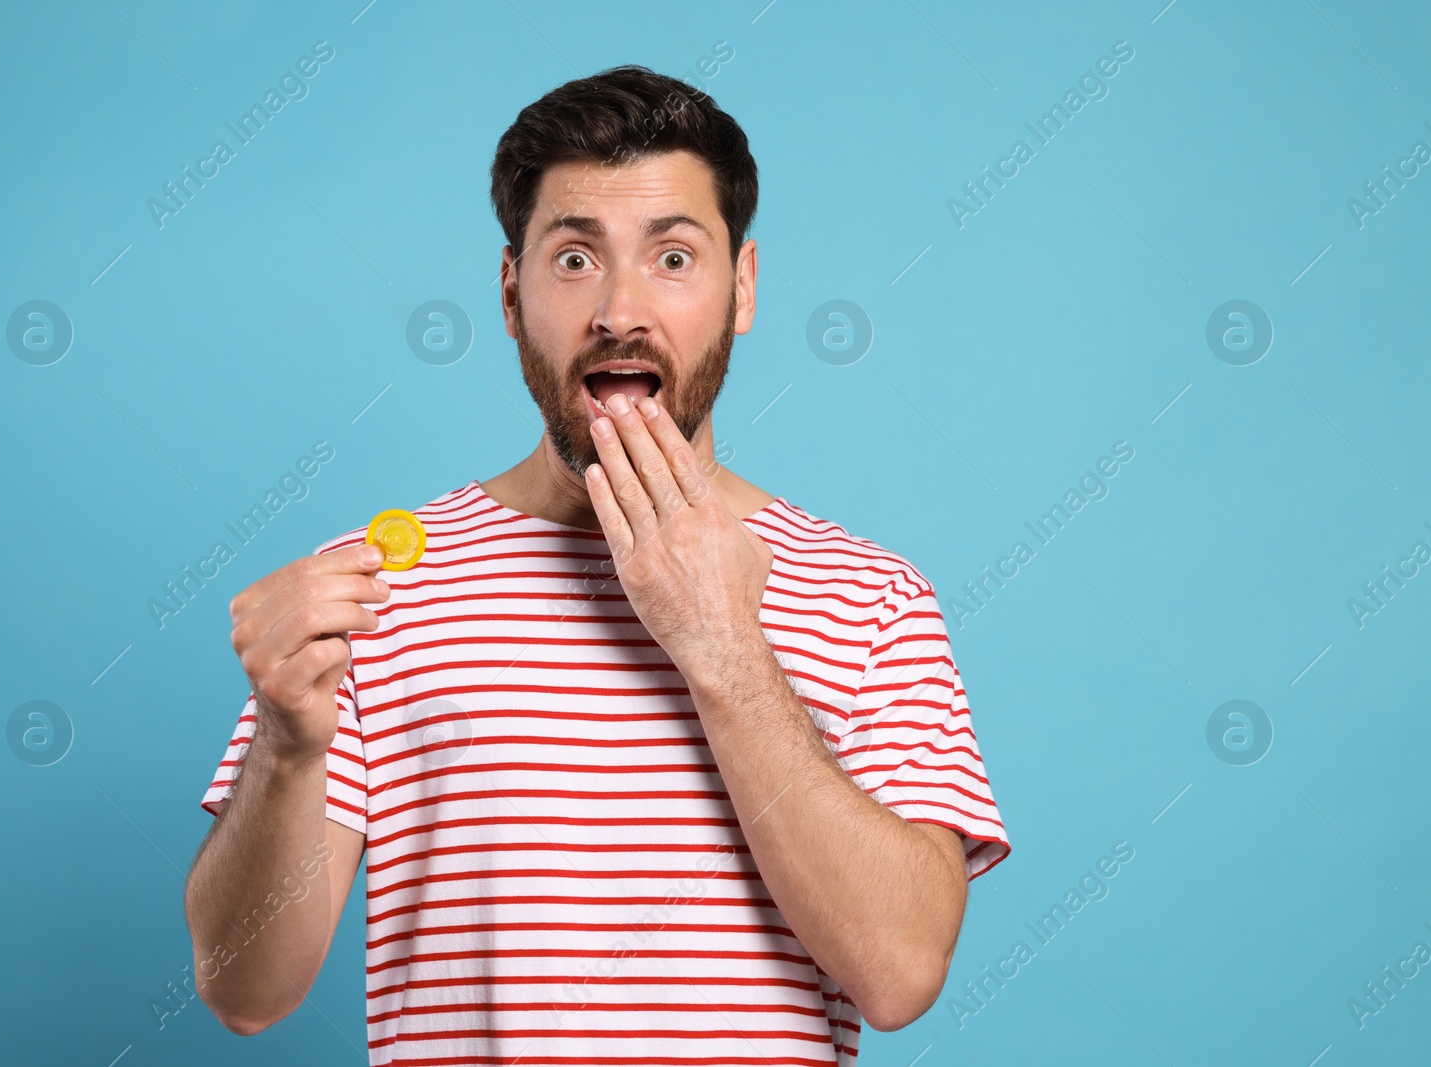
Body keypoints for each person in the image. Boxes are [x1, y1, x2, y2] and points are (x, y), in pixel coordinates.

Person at [185, 63, 1009, 1066]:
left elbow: (898, 971)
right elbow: (243, 990)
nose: (621, 309)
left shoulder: (870, 595)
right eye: (574, 258)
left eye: (672, 256)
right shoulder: (372, 588)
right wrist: (285, 744)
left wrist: (721, 641)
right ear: (508, 290)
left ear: (742, 288)